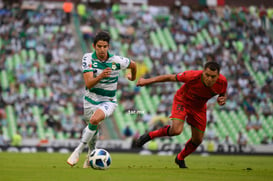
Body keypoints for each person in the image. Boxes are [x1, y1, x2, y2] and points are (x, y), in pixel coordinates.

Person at [135, 61, 227, 168]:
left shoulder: (222, 82)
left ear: (218, 76)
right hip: (183, 101)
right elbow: (169, 77)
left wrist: (222, 99)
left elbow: (222, 94)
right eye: (207, 75)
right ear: (203, 73)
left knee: (198, 140)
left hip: (199, 108)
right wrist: (146, 81)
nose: (209, 79)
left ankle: (180, 158)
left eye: (213, 77)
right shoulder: (192, 76)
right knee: (176, 130)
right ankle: (149, 136)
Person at [67, 31, 137, 167]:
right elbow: (88, 84)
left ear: (108, 46)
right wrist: (100, 76)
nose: (102, 50)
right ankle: (91, 153)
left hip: (108, 100)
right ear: (94, 46)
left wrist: (132, 77)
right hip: (90, 99)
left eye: (105, 46)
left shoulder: (116, 61)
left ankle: (78, 150)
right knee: (92, 128)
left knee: (94, 120)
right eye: (99, 46)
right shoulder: (88, 58)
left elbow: (133, 65)